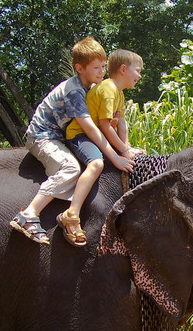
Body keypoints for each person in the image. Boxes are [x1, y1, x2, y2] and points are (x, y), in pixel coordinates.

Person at [10, 37, 134, 246]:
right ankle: (30, 213)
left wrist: (125, 148)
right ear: (79, 68)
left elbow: (111, 121)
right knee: (70, 168)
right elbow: (90, 128)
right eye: (96, 67)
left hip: (63, 136)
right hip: (44, 137)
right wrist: (116, 156)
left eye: (103, 66)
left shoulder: (93, 88)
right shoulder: (75, 91)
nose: (101, 71)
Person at [62, 49, 144, 245]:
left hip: (98, 137)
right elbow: (105, 125)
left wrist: (127, 147)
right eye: (138, 71)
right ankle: (72, 213)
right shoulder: (108, 89)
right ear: (123, 69)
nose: (139, 76)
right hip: (81, 136)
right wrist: (122, 152)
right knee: (96, 164)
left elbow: (121, 123)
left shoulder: (119, 94)